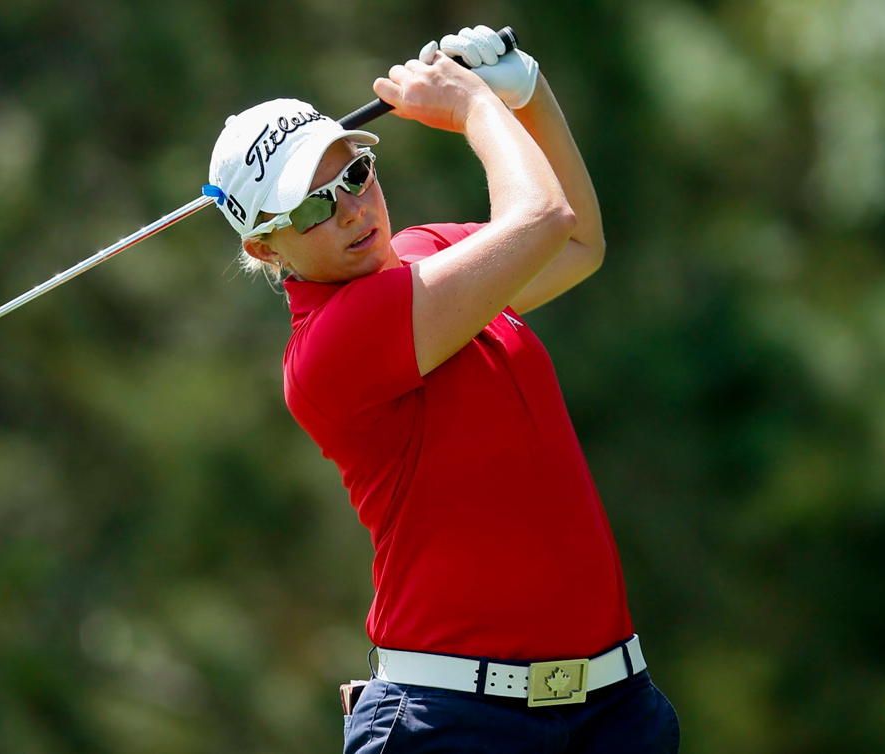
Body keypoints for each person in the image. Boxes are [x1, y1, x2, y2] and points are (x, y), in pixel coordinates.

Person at [204, 25, 679, 754]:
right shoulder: (329, 350)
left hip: (613, 711)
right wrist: (475, 108)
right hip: (455, 722)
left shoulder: (429, 252)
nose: (353, 211)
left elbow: (577, 241)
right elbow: (540, 218)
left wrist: (528, 93)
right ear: (264, 246)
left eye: (355, 175)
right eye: (312, 208)